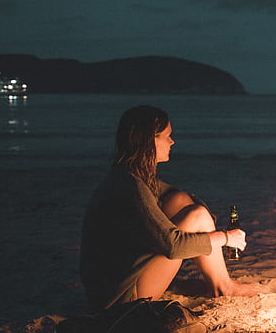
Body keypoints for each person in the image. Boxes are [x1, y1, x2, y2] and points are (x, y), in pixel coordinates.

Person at [80, 105, 257, 312]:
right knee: (197, 216)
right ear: (149, 140)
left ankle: (221, 282)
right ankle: (224, 287)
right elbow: (173, 246)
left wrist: (207, 221)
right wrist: (226, 238)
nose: (172, 142)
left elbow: (183, 199)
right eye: (166, 136)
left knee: (180, 200)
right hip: (121, 299)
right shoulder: (131, 187)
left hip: (110, 286)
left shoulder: (129, 176)